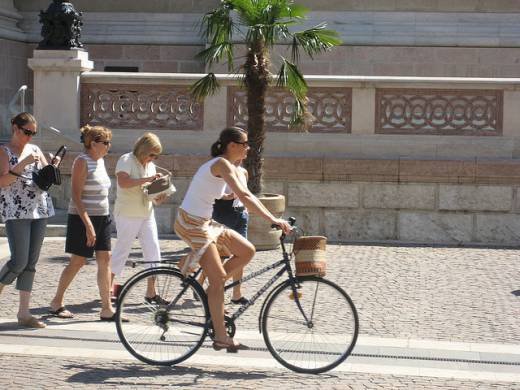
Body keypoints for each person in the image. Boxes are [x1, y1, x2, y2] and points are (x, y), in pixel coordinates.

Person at [174, 126, 291, 352]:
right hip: (190, 222)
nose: (248, 148)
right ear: (232, 145)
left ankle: (212, 293)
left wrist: (272, 217)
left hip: (206, 222)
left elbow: (244, 194)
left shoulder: (233, 167)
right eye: (245, 144)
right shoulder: (220, 164)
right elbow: (245, 196)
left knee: (247, 250)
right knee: (218, 280)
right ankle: (220, 336)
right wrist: (274, 219)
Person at [49, 125, 115, 321]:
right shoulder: (81, 161)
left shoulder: (101, 161)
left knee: (105, 259)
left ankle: (107, 308)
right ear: (93, 144)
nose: (109, 146)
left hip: (103, 217)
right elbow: (76, 197)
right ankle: (56, 302)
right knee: (78, 261)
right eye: (106, 143)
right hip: (82, 218)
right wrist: (88, 226)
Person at [0, 112, 58, 328]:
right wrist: (21, 164)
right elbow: (3, 181)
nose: (30, 137)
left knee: (30, 264)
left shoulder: (35, 150)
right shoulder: (4, 151)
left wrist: (52, 166)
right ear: (15, 127)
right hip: (16, 211)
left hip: (39, 210)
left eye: (34, 133)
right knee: (18, 262)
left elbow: (45, 178)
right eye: (27, 132)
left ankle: (24, 313)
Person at [110, 132, 169, 303]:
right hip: (128, 213)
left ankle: (151, 292)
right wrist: (148, 179)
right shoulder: (126, 160)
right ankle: (108, 288)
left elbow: (151, 195)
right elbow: (123, 182)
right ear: (143, 149)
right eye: (151, 154)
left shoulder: (150, 166)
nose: (153, 158)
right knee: (122, 250)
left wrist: (161, 194)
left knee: (153, 250)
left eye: (156, 156)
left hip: (146, 213)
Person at [198, 158, 249, 304]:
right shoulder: (221, 170)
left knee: (241, 255)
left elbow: (246, 193)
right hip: (224, 214)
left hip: (241, 215)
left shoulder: (244, 172)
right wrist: (228, 197)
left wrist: (246, 209)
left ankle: (236, 294)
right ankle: (200, 284)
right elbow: (214, 193)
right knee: (219, 257)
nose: (240, 159)